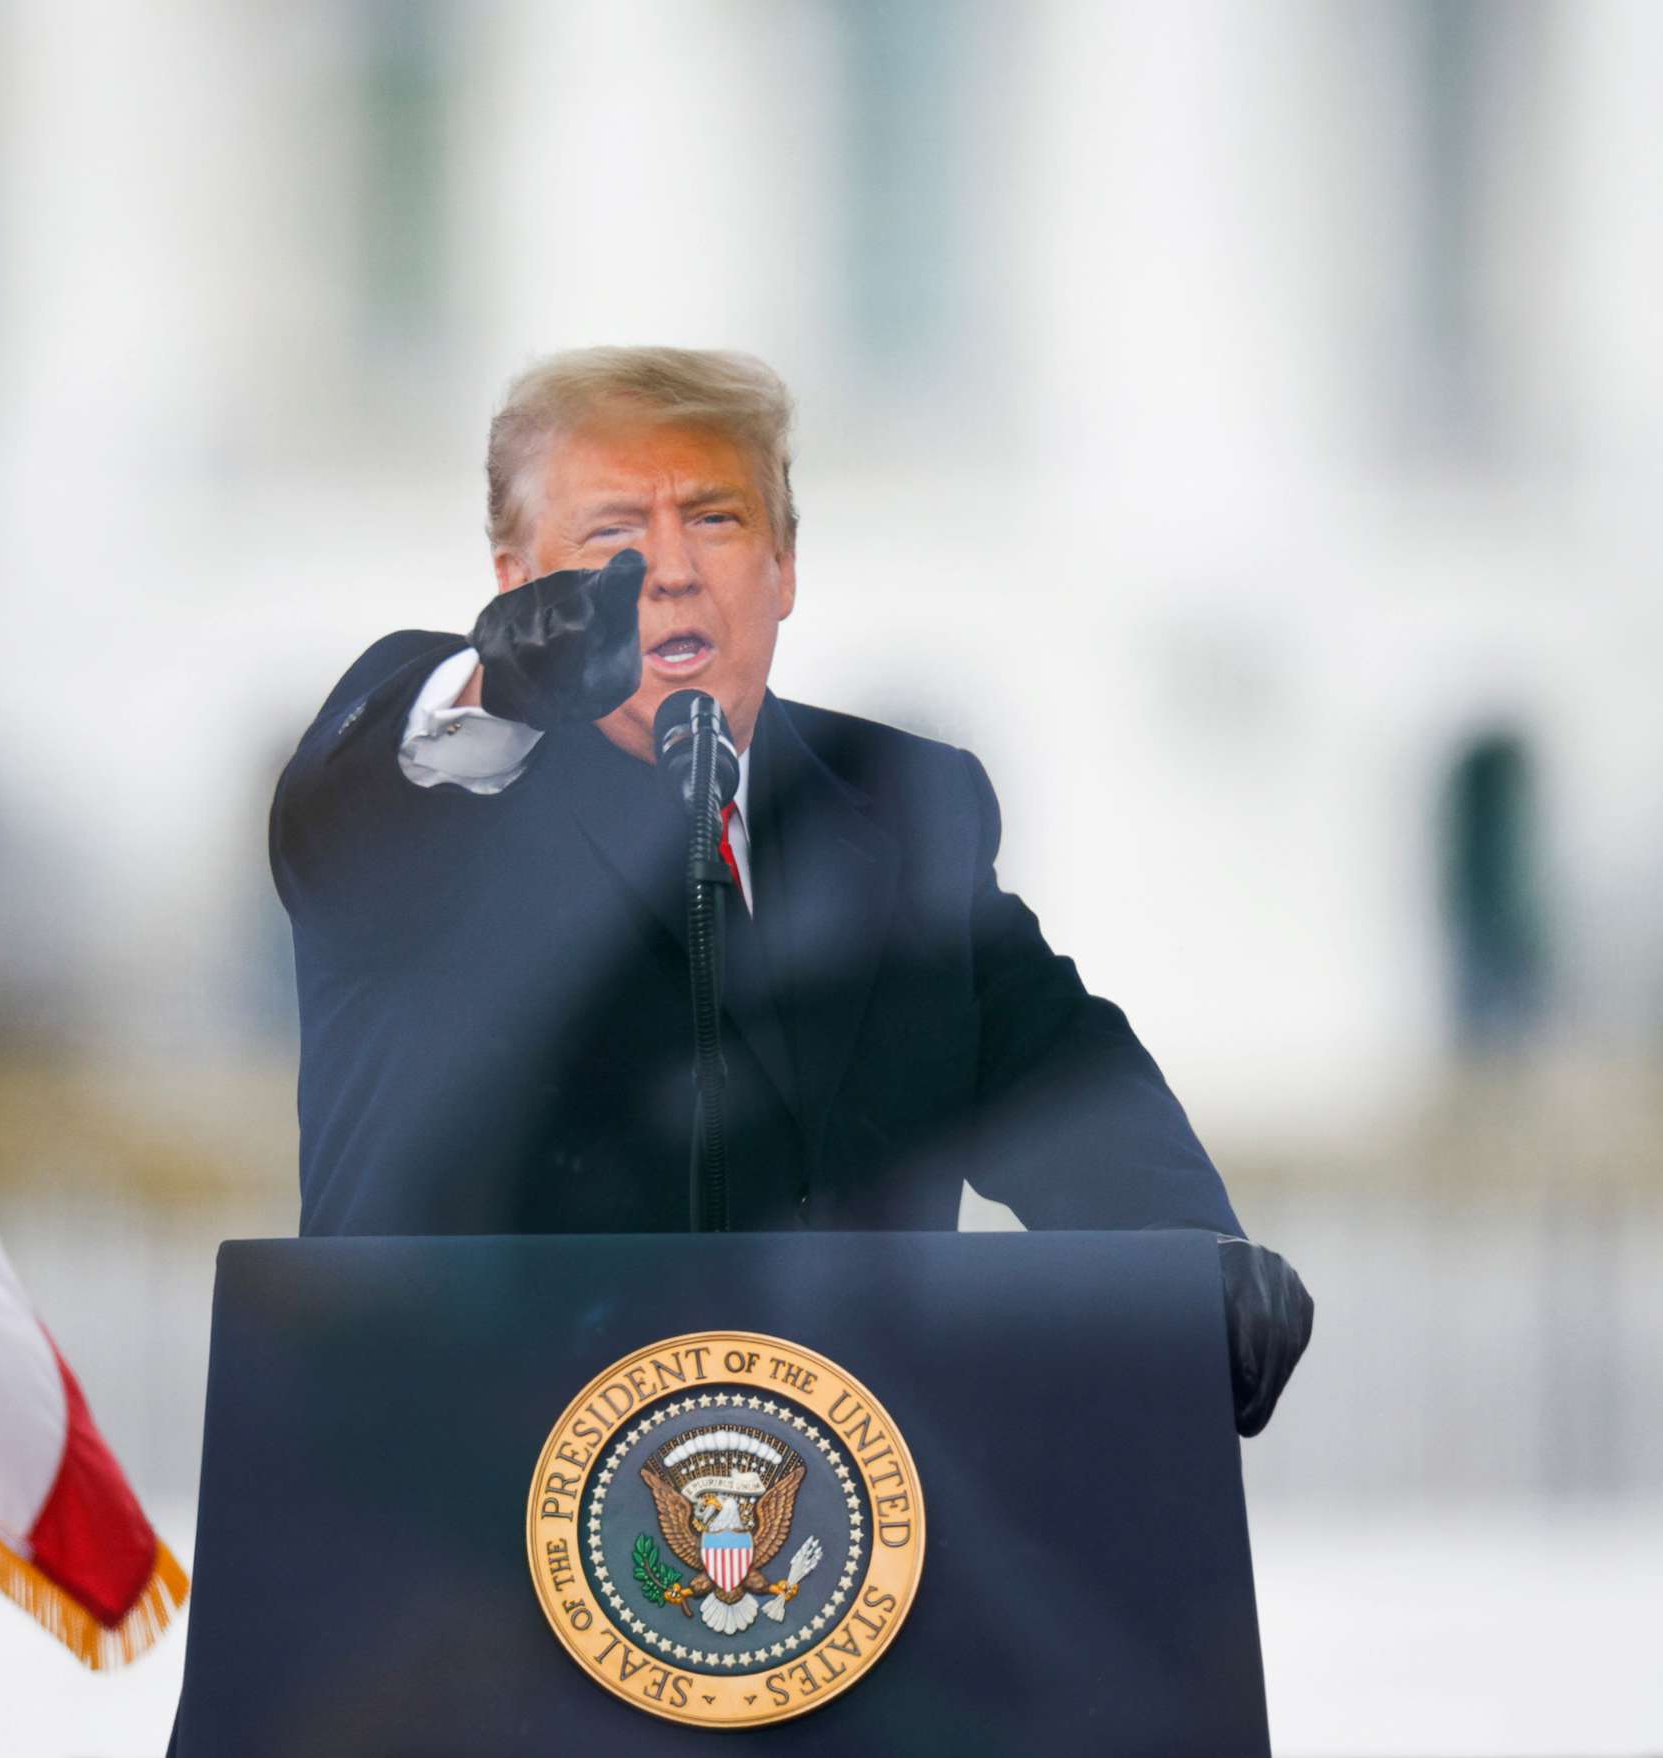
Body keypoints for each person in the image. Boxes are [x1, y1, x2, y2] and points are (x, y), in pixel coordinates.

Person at [270, 347, 1311, 1435]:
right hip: (444, 1515)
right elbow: (359, 819)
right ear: (517, 580)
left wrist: (1190, 1264)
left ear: (784, 568)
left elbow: (1057, 1080)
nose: (668, 570)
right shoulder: (444, 766)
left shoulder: (909, 810)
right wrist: (499, 688)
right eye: (614, 535)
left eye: (714, 521)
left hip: (838, 1535)